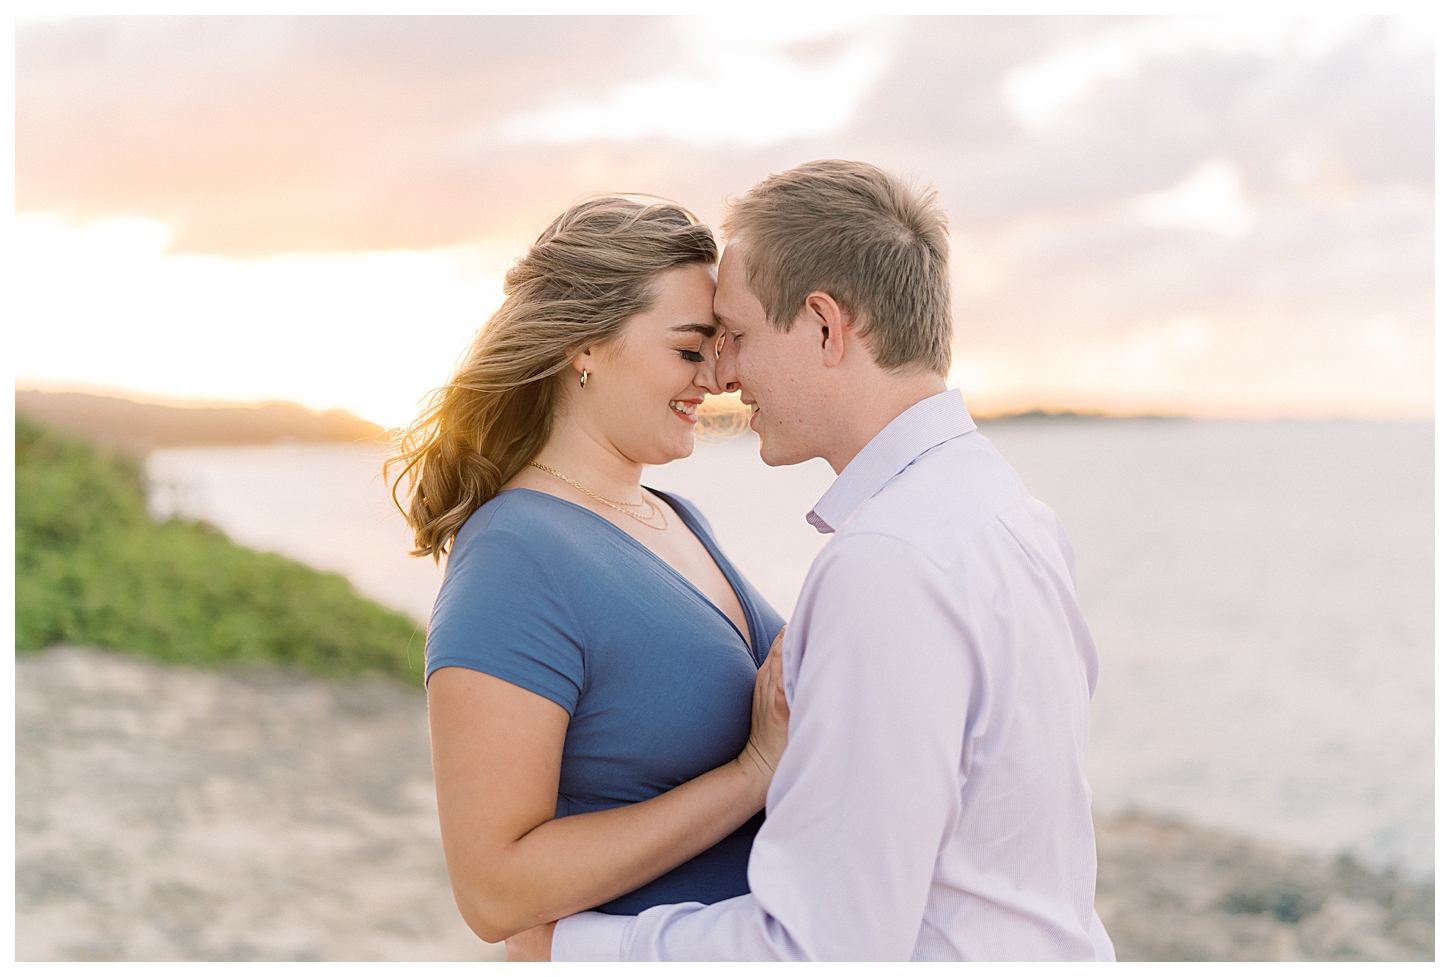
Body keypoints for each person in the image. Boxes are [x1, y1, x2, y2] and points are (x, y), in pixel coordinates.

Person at [532, 160, 1117, 961]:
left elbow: (822, 948)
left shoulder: (888, 562)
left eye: (736, 334)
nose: (725, 374)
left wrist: (572, 948)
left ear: (823, 327)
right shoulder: (1014, 517)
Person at [386, 196, 791, 955]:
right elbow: (493, 889)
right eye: (689, 348)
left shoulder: (672, 514)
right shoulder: (514, 553)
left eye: (721, 346)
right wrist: (750, 774)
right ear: (585, 346)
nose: (718, 377)